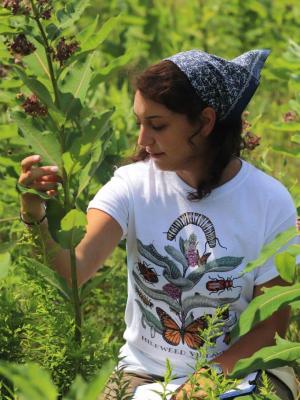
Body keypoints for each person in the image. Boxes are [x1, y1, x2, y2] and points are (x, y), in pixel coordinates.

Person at [18, 49, 299, 399]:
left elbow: (272, 326)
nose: (142, 140)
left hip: (243, 370)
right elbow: (71, 270)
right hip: (144, 372)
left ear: (205, 122)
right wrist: (34, 215)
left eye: (158, 125)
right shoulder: (133, 185)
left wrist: (202, 384)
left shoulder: (269, 201)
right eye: (139, 122)